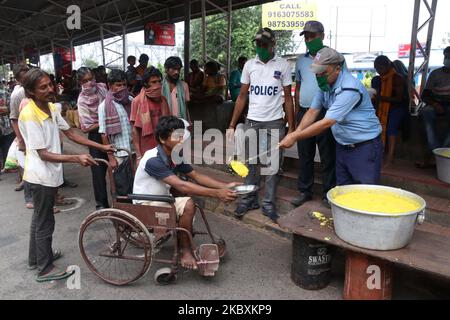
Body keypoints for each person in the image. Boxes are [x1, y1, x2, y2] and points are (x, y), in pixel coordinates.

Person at [18, 68, 115, 282]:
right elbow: (43, 154)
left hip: (47, 175)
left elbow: (70, 133)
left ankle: (37, 258)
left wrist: (98, 146)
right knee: (45, 222)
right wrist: (76, 159)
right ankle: (44, 268)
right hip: (39, 176)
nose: (49, 89)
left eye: (49, 84)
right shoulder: (29, 114)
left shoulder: (51, 108)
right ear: (31, 92)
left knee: (39, 219)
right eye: (42, 87)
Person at [133, 116, 239, 269]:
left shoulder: (174, 156)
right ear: (163, 139)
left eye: (182, 135)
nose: (181, 139)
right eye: (176, 136)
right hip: (146, 204)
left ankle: (183, 240)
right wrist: (217, 194)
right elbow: (182, 185)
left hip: (162, 199)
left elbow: (196, 176)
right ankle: (185, 250)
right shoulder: (153, 160)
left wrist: (225, 186)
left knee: (188, 201)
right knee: (188, 202)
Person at [279, 47, 383, 186]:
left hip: (364, 148)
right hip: (342, 146)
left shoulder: (349, 88)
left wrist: (295, 137)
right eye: (317, 73)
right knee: (342, 192)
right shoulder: (325, 86)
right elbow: (312, 111)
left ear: (338, 69)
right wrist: (296, 132)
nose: (319, 76)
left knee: (364, 195)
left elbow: (326, 122)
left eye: (323, 72)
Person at [227, 28, 295, 223]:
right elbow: (241, 96)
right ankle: (249, 200)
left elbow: (288, 99)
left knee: (272, 165)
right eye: (258, 44)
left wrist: (291, 128)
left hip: (274, 121)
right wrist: (232, 124)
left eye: (264, 44)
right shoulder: (250, 65)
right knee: (251, 164)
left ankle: (268, 205)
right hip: (253, 121)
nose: (261, 48)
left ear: (273, 45)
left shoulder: (282, 65)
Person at [291, 21, 336, 209]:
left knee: (327, 155)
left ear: (322, 36)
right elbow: (298, 88)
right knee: (305, 155)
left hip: (325, 113)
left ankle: (328, 193)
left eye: (312, 36)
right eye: (306, 37)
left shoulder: (334, 58)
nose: (309, 40)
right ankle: (305, 191)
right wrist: (295, 117)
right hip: (304, 112)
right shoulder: (301, 61)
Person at [77, 67, 110, 209]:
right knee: (98, 170)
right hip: (95, 136)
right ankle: (101, 204)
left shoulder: (102, 87)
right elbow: (85, 127)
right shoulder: (82, 100)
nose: (89, 83)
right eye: (85, 81)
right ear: (80, 83)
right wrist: (103, 120)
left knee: (118, 167)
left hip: (111, 131)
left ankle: (123, 200)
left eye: (91, 79)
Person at [373, 56, 409, 167]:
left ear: (388, 66)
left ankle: (390, 157)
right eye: (377, 69)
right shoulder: (377, 79)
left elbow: (399, 99)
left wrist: (381, 98)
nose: (379, 71)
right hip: (382, 108)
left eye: (381, 68)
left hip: (397, 108)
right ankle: (377, 153)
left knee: (391, 128)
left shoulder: (397, 78)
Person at [417, 46, 450, 168]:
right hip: (435, 104)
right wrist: (435, 104)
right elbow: (425, 96)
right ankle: (435, 149)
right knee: (425, 112)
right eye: (446, 56)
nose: (447, 59)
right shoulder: (435, 74)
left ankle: (441, 151)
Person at [130, 67, 170, 166]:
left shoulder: (163, 100)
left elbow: (168, 124)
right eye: (153, 82)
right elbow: (135, 131)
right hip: (146, 148)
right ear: (146, 84)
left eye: (159, 81)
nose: (157, 85)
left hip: (163, 146)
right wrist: (139, 155)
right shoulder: (137, 101)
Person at [98, 69, 133, 170]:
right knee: (122, 184)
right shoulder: (104, 106)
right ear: (110, 86)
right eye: (118, 85)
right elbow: (104, 134)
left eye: (124, 85)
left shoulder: (131, 101)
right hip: (119, 154)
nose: (122, 88)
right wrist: (111, 158)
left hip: (134, 151)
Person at [162, 56, 190, 121]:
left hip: (180, 123)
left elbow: (185, 107)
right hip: (164, 124)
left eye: (178, 69)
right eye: (174, 69)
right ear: (166, 69)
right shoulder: (160, 86)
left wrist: (187, 122)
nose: (177, 72)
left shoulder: (184, 85)